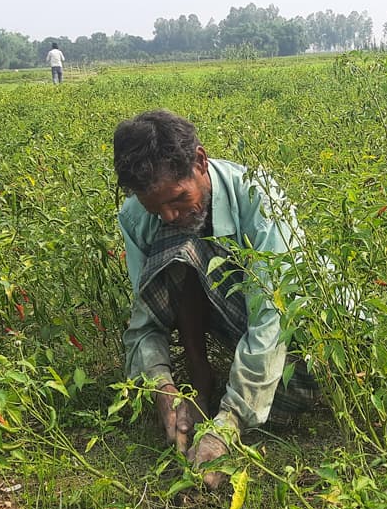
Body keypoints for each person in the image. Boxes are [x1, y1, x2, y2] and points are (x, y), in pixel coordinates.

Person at [113, 110, 314, 488]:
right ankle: (200, 383)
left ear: (201, 162)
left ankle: (226, 399)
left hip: (306, 326)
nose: (169, 214)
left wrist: (229, 422)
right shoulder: (139, 217)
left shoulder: (257, 195)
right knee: (176, 245)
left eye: (177, 198)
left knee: (301, 389)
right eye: (156, 207)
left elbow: (273, 316)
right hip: (239, 327)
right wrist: (163, 388)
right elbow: (145, 322)